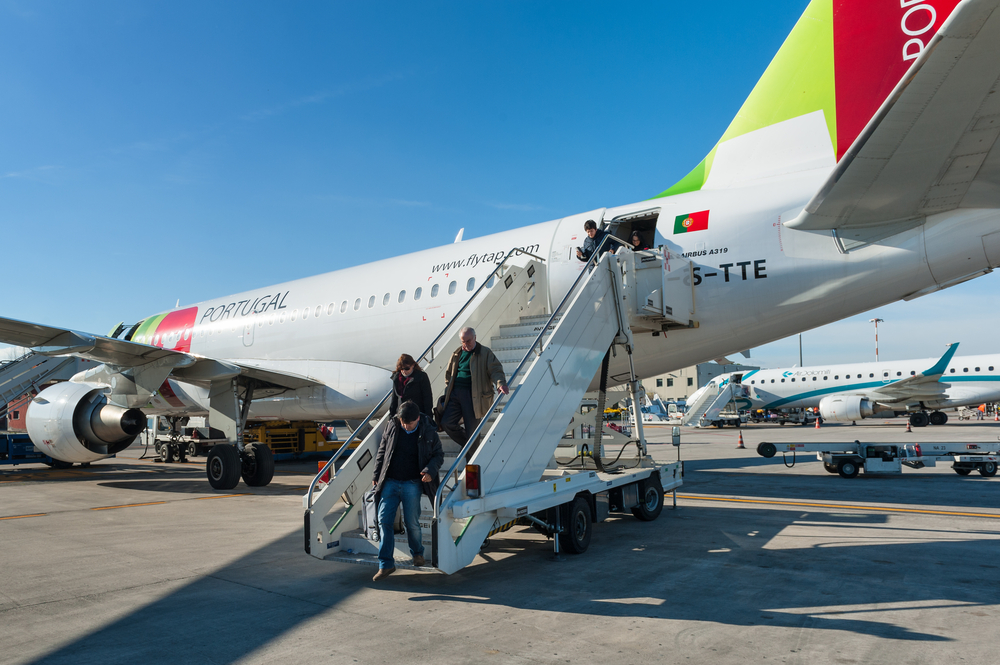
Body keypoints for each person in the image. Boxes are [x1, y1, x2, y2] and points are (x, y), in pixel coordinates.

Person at [370, 400, 444, 580]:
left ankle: (417, 553)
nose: (405, 425)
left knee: (412, 522)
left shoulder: (428, 430)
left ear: (417, 419)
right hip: (390, 482)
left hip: (412, 483)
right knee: (383, 520)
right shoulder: (393, 425)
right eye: (403, 422)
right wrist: (376, 474)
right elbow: (383, 450)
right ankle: (385, 564)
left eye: (408, 423)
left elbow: (438, 455)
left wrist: (429, 471)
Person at [442, 327, 509, 455]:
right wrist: (449, 390)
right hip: (455, 394)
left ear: (475, 338)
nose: (466, 344)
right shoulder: (457, 354)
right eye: (463, 341)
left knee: (472, 431)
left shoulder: (485, 353)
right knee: (446, 423)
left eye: (468, 341)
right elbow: (449, 374)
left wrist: (500, 384)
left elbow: (496, 370)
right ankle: (470, 445)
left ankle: (471, 459)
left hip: (474, 397)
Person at [388, 354, 433, 418]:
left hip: (417, 415)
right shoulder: (396, 378)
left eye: (406, 368)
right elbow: (394, 399)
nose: (404, 371)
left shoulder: (421, 377)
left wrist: (428, 417)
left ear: (413, 365)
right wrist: (391, 417)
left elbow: (427, 398)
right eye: (401, 368)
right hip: (401, 415)